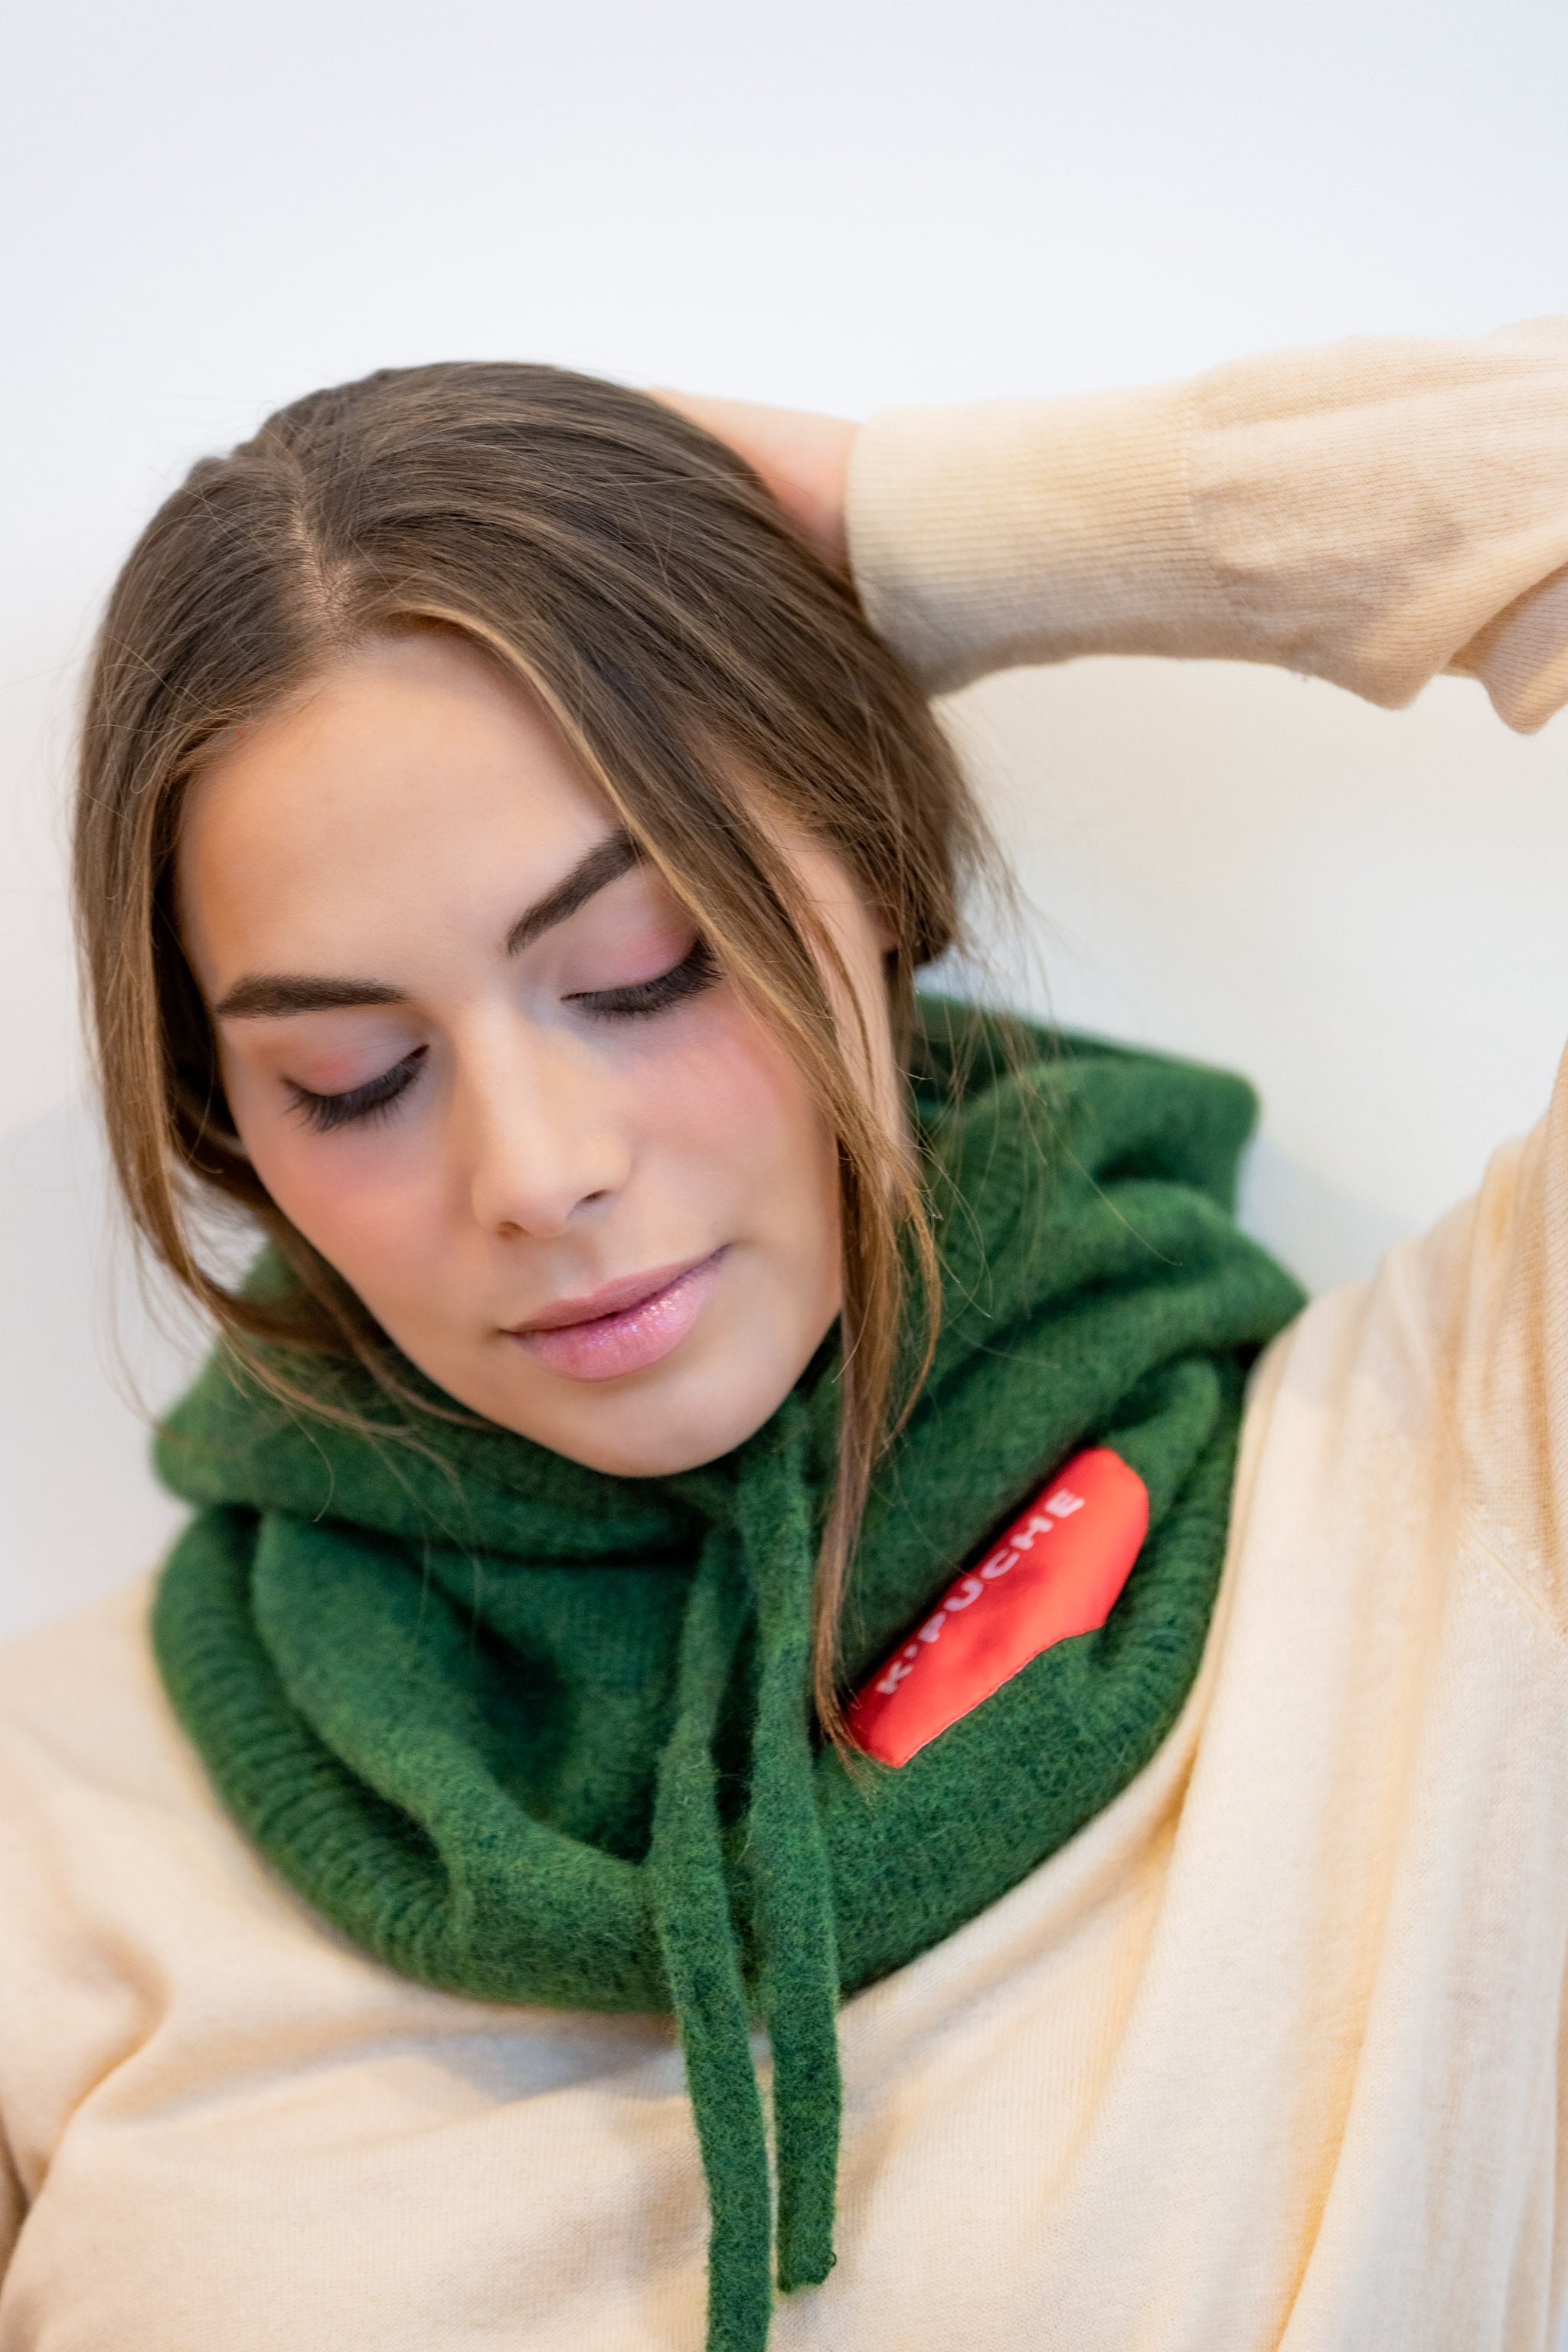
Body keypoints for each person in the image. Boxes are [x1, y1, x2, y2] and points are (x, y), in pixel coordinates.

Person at [4, 318, 1568, 2352]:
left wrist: (920, 527)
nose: (538, 1171)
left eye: (650, 964)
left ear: (877, 873)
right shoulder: (48, 1819)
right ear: (233, 1129)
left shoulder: (1461, 1485)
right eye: (355, 1081)